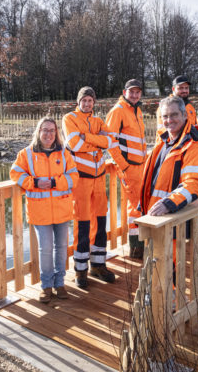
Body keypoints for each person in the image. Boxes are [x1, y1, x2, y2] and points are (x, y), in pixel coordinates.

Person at [63, 86, 128, 288]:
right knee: (81, 223)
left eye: (90, 100)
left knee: (100, 222)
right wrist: (97, 142)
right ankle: (80, 270)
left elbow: (110, 140)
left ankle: (98, 265)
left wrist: (88, 138)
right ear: (78, 101)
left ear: (94, 102)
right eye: (84, 100)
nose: (87, 103)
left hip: (99, 178)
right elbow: (74, 144)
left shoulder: (99, 121)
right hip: (81, 179)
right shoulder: (69, 119)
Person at [10, 117, 79, 303]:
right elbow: (15, 172)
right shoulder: (27, 154)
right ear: (38, 132)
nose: (48, 134)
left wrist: (56, 182)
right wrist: (34, 183)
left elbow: (74, 176)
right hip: (40, 212)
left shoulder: (64, 153)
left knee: (62, 248)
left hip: (62, 209)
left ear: (56, 133)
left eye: (52, 130)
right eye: (45, 130)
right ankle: (46, 287)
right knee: (46, 249)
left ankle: (60, 283)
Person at [139, 96, 198, 267]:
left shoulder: (194, 147)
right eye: (165, 116)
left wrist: (169, 203)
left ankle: (169, 293)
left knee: (167, 266)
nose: (169, 120)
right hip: (155, 215)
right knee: (154, 265)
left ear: (185, 115)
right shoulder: (164, 141)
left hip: (172, 217)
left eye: (174, 115)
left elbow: (194, 183)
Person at [105, 79, 146, 259]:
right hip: (129, 167)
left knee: (141, 204)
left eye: (138, 92)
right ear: (124, 92)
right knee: (135, 207)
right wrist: (124, 166)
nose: (135, 95)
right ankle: (136, 248)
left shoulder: (137, 110)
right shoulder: (118, 111)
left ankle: (142, 243)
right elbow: (110, 142)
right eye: (132, 92)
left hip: (141, 165)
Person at [156, 75, 196, 145]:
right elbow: (162, 132)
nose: (184, 91)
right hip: (172, 147)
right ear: (173, 89)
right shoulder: (165, 107)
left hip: (190, 148)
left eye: (186, 88)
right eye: (180, 88)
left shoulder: (190, 107)